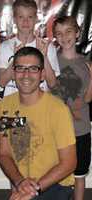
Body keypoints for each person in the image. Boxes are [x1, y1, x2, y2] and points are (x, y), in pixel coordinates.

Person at [0, 46, 77, 200]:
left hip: (56, 184)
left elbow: (69, 163)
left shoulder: (58, 109)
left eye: (33, 68)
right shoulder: (5, 105)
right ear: (13, 74)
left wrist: (34, 190)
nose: (26, 74)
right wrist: (20, 182)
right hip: (23, 182)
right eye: (20, 68)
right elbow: (4, 153)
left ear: (42, 75)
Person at [52, 16, 92, 200]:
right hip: (58, 130)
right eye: (59, 33)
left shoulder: (85, 63)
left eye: (68, 31)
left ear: (77, 33)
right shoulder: (53, 61)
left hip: (81, 128)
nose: (64, 36)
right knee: (57, 172)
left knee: (79, 173)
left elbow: (88, 98)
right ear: (55, 37)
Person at [0, 0, 60, 97]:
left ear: (36, 19)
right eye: (21, 17)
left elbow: (52, 84)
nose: (25, 21)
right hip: (12, 106)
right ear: (14, 19)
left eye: (30, 17)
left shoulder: (47, 47)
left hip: (39, 106)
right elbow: (1, 82)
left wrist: (44, 56)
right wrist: (16, 59)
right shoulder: (4, 47)